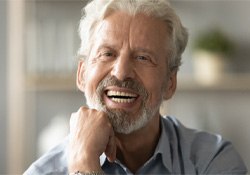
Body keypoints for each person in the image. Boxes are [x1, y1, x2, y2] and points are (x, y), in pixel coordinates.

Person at [24, 0, 247, 174]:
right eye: (107, 54)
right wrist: (84, 160)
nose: (121, 72)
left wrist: (85, 168)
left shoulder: (212, 161)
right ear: (82, 74)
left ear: (170, 83)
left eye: (142, 57)